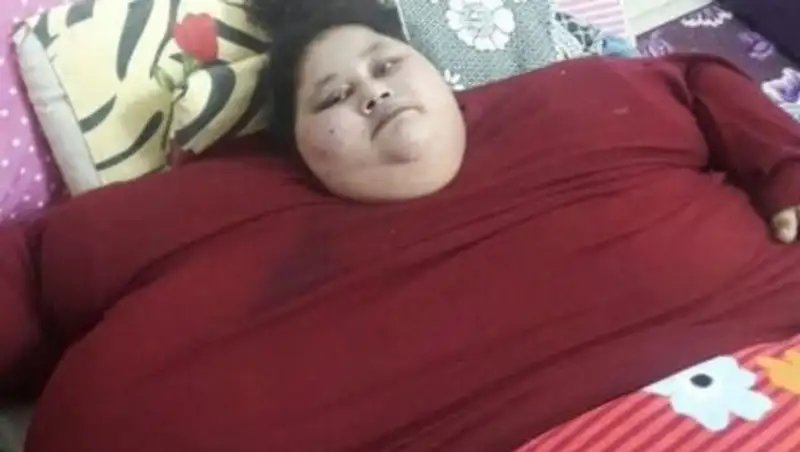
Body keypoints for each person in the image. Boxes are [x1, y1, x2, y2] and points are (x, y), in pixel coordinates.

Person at [3, 0, 800, 450]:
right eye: (331, 97)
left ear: (442, 78)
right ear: (296, 146)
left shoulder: (570, 98)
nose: (371, 91)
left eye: (386, 66)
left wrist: (786, 166)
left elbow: (696, 76)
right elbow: (28, 266)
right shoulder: (205, 197)